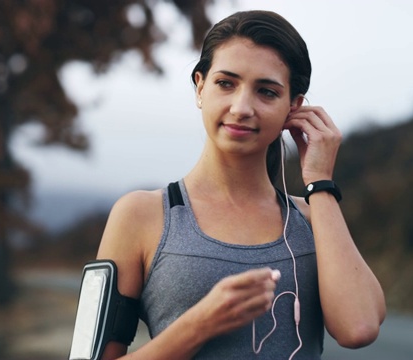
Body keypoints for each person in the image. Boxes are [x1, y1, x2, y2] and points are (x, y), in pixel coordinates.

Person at [94, 10, 386, 359]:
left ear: (293, 108)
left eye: (266, 91)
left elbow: (359, 328)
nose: (242, 107)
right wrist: (199, 324)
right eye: (226, 83)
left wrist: (319, 183)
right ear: (200, 86)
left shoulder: (313, 218)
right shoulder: (141, 215)